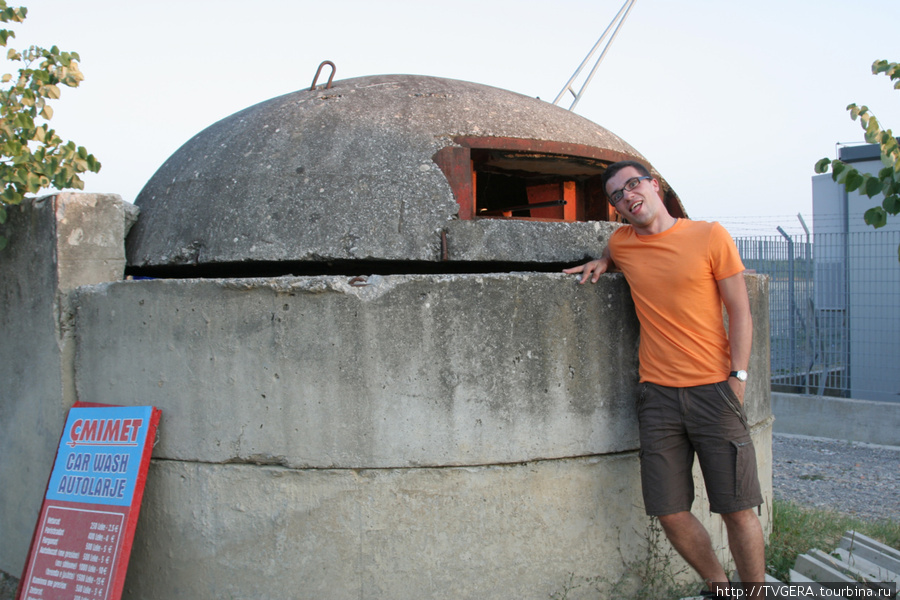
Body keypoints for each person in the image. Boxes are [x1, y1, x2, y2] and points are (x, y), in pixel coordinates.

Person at [563, 160, 766, 598]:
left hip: (716, 390)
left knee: (737, 509)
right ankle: (720, 588)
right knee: (669, 510)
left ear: (654, 186)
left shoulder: (709, 235)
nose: (626, 197)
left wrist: (739, 378)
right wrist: (601, 261)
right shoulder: (622, 241)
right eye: (617, 195)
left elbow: (740, 310)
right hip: (657, 397)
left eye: (632, 185)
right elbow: (616, 254)